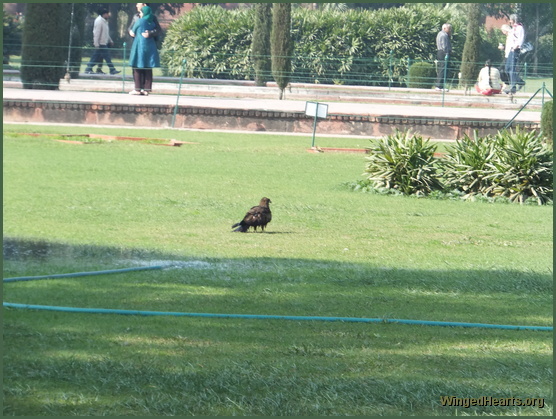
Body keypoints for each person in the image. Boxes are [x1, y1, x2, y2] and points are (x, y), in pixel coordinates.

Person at [128, 6, 160, 95]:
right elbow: (158, 31)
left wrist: (132, 32)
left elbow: (132, 31)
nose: (140, 14)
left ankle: (137, 89)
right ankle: (146, 89)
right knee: (148, 67)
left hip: (139, 46)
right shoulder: (152, 21)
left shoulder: (140, 21)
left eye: (141, 12)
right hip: (150, 46)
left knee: (137, 67)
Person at [85, 9, 120, 75]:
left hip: (103, 42)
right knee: (107, 57)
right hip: (101, 43)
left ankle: (91, 68)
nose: (108, 15)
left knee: (97, 57)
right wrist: (96, 43)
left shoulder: (104, 21)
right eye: (107, 14)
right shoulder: (99, 21)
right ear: (104, 14)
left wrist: (110, 40)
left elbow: (106, 33)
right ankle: (112, 69)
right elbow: (97, 33)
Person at [504, 14, 525, 94]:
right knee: (507, 68)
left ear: (513, 20)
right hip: (511, 50)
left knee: (512, 68)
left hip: (515, 50)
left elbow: (521, 38)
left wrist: (517, 46)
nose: (510, 21)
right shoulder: (513, 28)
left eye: (510, 20)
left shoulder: (519, 28)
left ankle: (513, 86)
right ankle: (519, 81)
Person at [434, 23, 452, 92]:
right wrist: (447, 53)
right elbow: (444, 46)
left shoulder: (440, 34)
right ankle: (439, 86)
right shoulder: (444, 35)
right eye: (449, 28)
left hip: (440, 52)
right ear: (444, 28)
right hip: (443, 53)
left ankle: (440, 85)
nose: (450, 30)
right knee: (443, 69)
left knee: (442, 69)